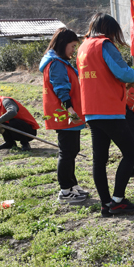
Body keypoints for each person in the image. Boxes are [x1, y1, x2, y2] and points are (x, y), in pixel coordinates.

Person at [77, 12, 134, 217]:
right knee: (131, 152)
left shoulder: (83, 47)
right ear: (109, 30)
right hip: (109, 109)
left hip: (91, 110)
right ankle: (118, 200)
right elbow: (122, 73)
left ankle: (106, 204)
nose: (114, 38)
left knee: (100, 160)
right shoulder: (104, 45)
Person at [39, 27, 90, 205]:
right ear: (63, 44)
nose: (73, 50)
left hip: (69, 115)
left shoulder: (59, 61)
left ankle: (72, 184)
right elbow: (61, 88)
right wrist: (70, 109)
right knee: (67, 152)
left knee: (72, 150)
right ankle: (65, 190)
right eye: (72, 46)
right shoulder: (56, 64)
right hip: (65, 115)